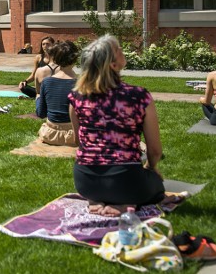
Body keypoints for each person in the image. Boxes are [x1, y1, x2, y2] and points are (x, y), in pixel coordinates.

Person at [69, 35, 164, 216]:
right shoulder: (139, 96)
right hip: (125, 180)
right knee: (157, 187)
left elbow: (78, 141)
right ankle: (123, 202)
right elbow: (154, 150)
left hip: (85, 182)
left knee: (125, 183)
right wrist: (151, 168)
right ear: (113, 65)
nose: (123, 50)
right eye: (118, 49)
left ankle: (99, 198)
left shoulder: (76, 97)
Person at [36, 41, 78, 146]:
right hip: (73, 135)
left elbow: (41, 114)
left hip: (51, 135)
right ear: (75, 59)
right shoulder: (81, 84)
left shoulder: (46, 82)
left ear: (55, 59)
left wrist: (38, 98)